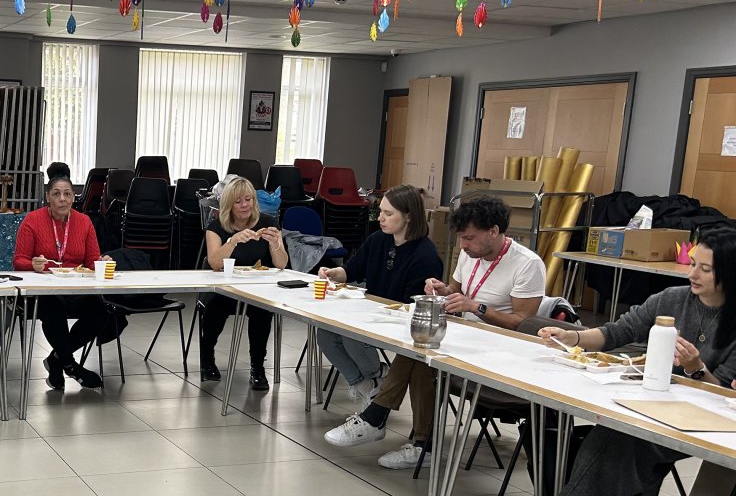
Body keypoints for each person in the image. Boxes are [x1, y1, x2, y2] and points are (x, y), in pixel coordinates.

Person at [527, 227, 736, 496]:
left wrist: (696, 368)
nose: (692, 274)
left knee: (625, 437)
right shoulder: (672, 298)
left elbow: (724, 394)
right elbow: (616, 332)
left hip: (701, 420)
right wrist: (572, 335)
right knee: (626, 433)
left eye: (705, 268)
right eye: (692, 263)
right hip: (653, 402)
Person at [324, 195, 546, 469]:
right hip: (466, 337)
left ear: (494, 231)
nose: (463, 245)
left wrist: (477, 307)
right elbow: (455, 291)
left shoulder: (527, 264)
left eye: (469, 238)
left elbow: (522, 325)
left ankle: (381, 418)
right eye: (461, 238)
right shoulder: (470, 254)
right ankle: (418, 444)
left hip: (502, 350)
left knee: (421, 358)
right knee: (420, 351)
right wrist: (442, 290)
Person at [317, 184, 443, 409]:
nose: (381, 218)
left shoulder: (425, 255)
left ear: (408, 217)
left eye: (388, 213)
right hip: (370, 314)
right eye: (380, 212)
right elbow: (351, 270)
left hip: (399, 321)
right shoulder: (378, 239)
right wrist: (332, 273)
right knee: (325, 332)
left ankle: (377, 377)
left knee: (351, 336)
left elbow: (410, 305)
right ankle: (371, 384)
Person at [14, 165, 107, 391]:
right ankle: (70, 365)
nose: (62, 199)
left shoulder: (84, 222)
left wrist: (102, 262)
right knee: (51, 308)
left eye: (67, 194)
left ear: (73, 197)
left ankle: (57, 359)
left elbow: (93, 260)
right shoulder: (33, 220)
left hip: (75, 288)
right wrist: (32, 265)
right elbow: (19, 261)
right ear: (48, 197)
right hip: (45, 289)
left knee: (101, 312)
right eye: (56, 194)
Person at [199, 176, 288, 391]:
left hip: (256, 289)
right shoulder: (216, 226)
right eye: (238, 201)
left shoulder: (268, 222)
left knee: (262, 311)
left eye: (248, 199)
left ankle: (257, 367)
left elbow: (281, 264)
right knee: (215, 308)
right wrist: (233, 241)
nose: (245, 205)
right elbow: (214, 263)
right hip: (224, 288)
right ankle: (207, 358)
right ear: (229, 204)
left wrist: (276, 243)